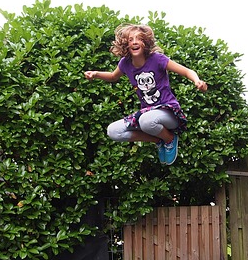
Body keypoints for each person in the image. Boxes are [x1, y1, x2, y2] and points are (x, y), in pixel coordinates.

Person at [84, 24, 207, 165]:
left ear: (146, 43)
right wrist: (96, 74)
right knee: (113, 131)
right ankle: (158, 140)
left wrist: (197, 81)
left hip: (168, 113)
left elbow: (186, 71)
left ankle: (169, 138)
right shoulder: (125, 63)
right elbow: (113, 76)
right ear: (125, 44)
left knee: (146, 120)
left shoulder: (157, 59)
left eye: (139, 39)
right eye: (130, 40)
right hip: (147, 114)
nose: (134, 42)